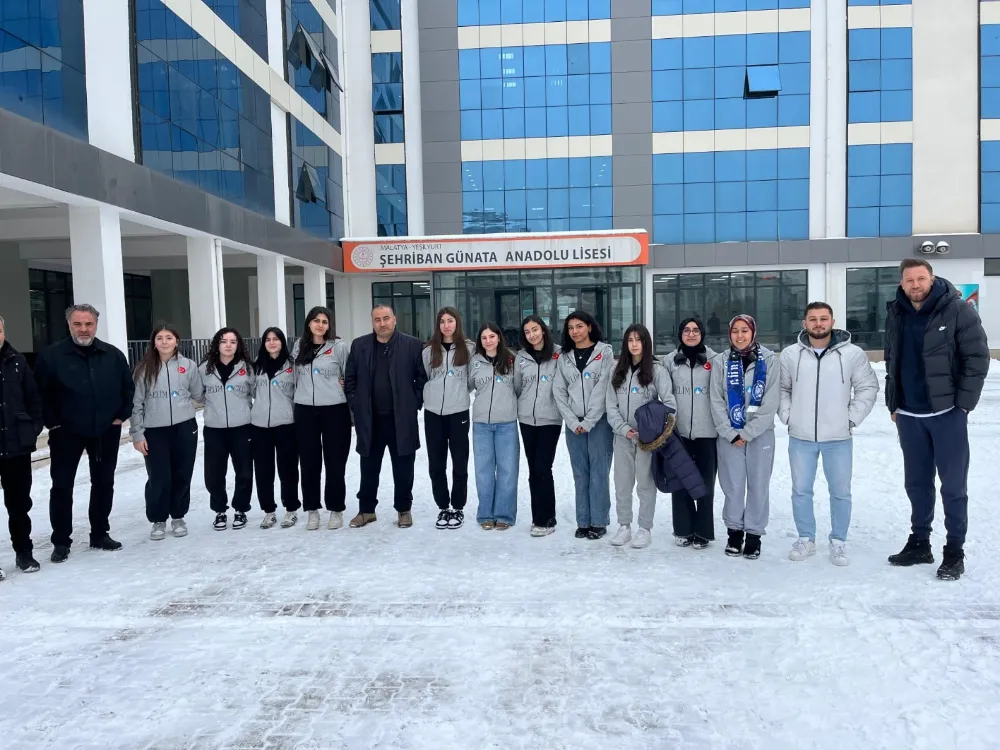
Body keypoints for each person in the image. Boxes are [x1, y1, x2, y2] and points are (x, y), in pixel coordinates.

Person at [884, 259, 989, 581]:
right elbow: (892, 358)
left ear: (931, 279)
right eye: (909, 280)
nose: (915, 285)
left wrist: (963, 406)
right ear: (902, 284)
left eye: (921, 278)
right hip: (909, 414)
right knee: (917, 483)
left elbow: (977, 358)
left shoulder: (957, 309)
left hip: (947, 414)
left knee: (953, 486)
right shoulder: (897, 312)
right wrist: (894, 402)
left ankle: (954, 551)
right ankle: (920, 543)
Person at [779, 303, 879, 566]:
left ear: (833, 322)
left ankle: (838, 541)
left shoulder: (852, 354)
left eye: (823, 319)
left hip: (838, 437)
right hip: (801, 436)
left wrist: (851, 418)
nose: (818, 323)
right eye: (813, 319)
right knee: (801, 490)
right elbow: (781, 389)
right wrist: (788, 416)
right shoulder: (791, 355)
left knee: (840, 491)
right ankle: (806, 538)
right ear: (804, 323)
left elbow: (867, 387)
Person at [34, 304, 134, 563]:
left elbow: (127, 387)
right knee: (62, 486)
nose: (84, 329)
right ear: (69, 325)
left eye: (89, 324)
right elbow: (40, 394)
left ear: (96, 325)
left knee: (104, 482)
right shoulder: (51, 357)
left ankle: (100, 533)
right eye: (78, 324)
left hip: (105, 431)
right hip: (66, 432)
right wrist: (53, 423)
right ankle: (61, 541)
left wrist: (121, 415)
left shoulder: (112, 355)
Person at [345, 305, 427, 529]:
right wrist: (356, 405)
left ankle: (404, 509)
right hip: (370, 421)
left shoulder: (412, 345)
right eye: (377, 319)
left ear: (395, 319)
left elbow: (422, 379)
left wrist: (413, 403)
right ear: (372, 322)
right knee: (368, 468)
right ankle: (366, 510)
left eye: (386, 318)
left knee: (404, 469)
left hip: (401, 420)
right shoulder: (360, 346)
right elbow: (350, 380)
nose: (382, 323)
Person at [709, 315, 778, 560]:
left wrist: (748, 433)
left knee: (759, 485)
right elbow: (716, 400)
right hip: (729, 436)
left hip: (760, 435)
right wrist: (730, 432)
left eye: (744, 330)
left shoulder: (769, 360)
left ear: (753, 333)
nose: (740, 336)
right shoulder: (721, 361)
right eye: (735, 331)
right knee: (733, 485)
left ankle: (754, 536)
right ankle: (734, 533)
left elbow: (771, 401)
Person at [130, 324, 204, 541]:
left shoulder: (188, 366)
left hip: (184, 427)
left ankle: (178, 516)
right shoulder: (143, 369)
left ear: (176, 341)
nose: (164, 342)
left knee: (182, 474)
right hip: (154, 431)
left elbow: (200, 394)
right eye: (160, 338)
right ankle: (158, 519)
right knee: (159, 477)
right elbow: (136, 404)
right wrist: (137, 433)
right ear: (154, 343)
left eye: (169, 337)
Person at [606, 324, 674, 550]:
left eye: (639, 340)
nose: (634, 344)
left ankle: (644, 528)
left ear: (646, 343)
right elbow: (610, 405)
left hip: (647, 441)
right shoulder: (616, 369)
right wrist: (624, 429)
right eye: (630, 340)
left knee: (645, 484)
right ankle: (624, 525)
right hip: (622, 436)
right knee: (622, 483)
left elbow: (670, 404)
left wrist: (654, 431)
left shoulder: (657, 370)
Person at [553, 310, 615, 540]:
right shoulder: (564, 357)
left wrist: (589, 420)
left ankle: (598, 521)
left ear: (589, 327)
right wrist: (571, 420)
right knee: (580, 473)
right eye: (570, 328)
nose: (575, 331)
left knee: (599, 472)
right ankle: (583, 521)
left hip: (599, 422)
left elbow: (604, 387)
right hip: (574, 424)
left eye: (579, 326)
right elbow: (559, 390)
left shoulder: (604, 352)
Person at [292, 308, 351, 531]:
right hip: (305, 410)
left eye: (324, 322)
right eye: (316, 320)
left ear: (329, 325)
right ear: (309, 323)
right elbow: (294, 377)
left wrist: (342, 386)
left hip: (334, 410)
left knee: (335, 462)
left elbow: (349, 375)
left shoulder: (339, 347)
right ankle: (312, 510)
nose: (320, 325)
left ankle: (336, 509)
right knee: (309, 463)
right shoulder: (299, 346)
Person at [665, 317, 718, 549]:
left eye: (696, 330)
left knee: (705, 483)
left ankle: (703, 531)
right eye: (686, 330)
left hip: (708, 433)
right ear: (680, 334)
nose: (691, 334)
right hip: (679, 432)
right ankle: (683, 529)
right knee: (680, 482)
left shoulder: (715, 360)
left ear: (702, 333)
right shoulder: (669, 361)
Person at [422, 307, 476, 530]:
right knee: (436, 463)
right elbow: (425, 377)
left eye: (450, 320)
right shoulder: (428, 351)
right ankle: (443, 506)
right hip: (433, 413)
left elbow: (471, 380)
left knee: (459, 462)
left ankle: (458, 507)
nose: (446, 325)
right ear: (438, 325)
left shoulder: (469, 348)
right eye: (442, 321)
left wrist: (459, 393)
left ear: (457, 323)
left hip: (458, 412)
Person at [198, 328, 254, 531]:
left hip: (242, 427)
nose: (228, 345)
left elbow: (257, 391)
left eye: (233, 341)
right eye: (224, 341)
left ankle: (241, 509)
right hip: (215, 429)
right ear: (217, 344)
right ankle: (219, 510)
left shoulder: (247, 368)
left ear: (238, 345)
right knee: (214, 474)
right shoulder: (204, 369)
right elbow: (199, 394)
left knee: (244, 472)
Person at [0, 316, 43, 577]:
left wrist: (32, 428)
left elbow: (33, 397)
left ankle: (24, 553)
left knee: (19, 505)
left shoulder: (17, 361)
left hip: (16, 446)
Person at [513, 315, 562, 537]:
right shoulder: (521, 357)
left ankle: (547, 518)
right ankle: (539, 517)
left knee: (543, 467)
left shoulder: (559, 354)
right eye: (527, 332)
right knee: (533, 469)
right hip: (526, 419)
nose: (531, 335)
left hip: (550, 419)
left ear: (543, 330)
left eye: (534, 329)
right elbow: (517, 386)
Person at [469, 322, 519, 530]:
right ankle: (485, 515)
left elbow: (519, 387)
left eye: (492, 336)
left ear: (499, 337)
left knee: (508, 470)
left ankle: (504, 515)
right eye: (484, 338)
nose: (488, 341)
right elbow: (468, 385)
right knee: (484, 471)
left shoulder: (512, 360)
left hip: (506, 424)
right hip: (481, 425)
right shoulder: (474, 361)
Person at [252, 327, 300, 530]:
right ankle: (269, 511)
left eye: (276, 339)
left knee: (288, 469)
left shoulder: (292, 365)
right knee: (263, 470)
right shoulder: (256, 366)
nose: (271, 343)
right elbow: (250, 390)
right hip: (260, 425)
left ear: (282, 342)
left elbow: (300, 389)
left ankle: (291, 509)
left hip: (286, 424)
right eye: (268, 339)